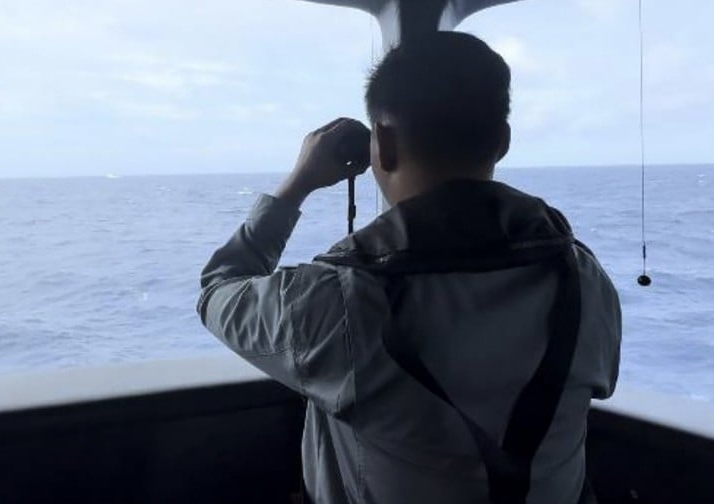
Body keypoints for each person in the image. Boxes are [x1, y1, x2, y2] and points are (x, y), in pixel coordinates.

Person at [197, 32, 621, 504]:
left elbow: (218, 289)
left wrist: (299, 183)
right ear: (501, 142)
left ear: (384, 142)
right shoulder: (584, 281)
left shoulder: (337, 302)